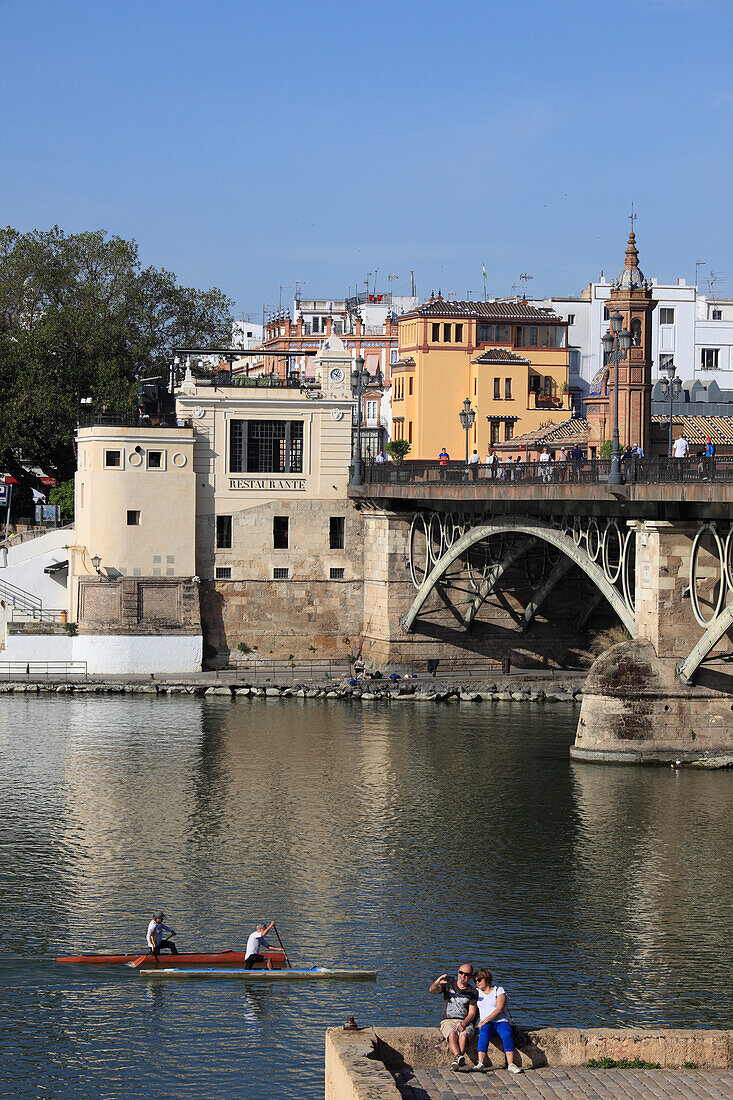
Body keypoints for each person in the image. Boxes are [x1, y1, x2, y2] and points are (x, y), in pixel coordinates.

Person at [473, 967, 522, 1074]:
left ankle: (511, 1064)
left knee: (506, 1033)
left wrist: (485, 1020)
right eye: (475, 981)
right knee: (484, 1033)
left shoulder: (498, 990)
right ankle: (480, 1063)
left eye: (479, 980)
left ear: (486, 979)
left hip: (500, 1021)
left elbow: (500, 1009)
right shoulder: (476, 992)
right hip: (487, 1023)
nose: (477, 983)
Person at [429, 964, 478, 1071]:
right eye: (461, 973)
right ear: (458, 972)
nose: (463, 976)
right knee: (452, 1034)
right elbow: (432, 990)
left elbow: (472, 1013)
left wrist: (464, 1024)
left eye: (466, 974)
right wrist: (437, 982)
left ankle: (456, 1061)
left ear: (470, 977)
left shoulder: (473, 992)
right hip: (448, 1020)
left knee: (463, 1036)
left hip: (464, 1021)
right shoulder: (449, 984)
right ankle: (458, 1057)